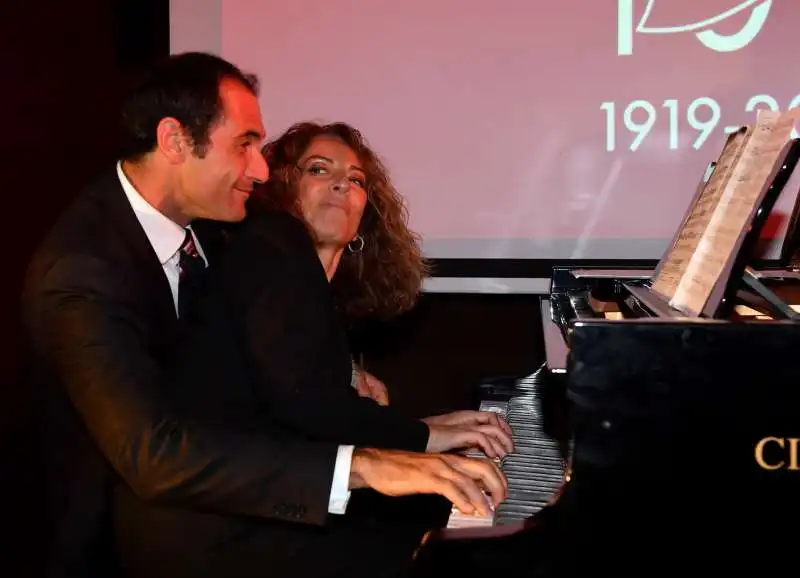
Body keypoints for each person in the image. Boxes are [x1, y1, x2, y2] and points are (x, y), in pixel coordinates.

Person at [20, 52, 506, 578]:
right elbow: (155, 453)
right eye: (244, 144)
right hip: (149, 540)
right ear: (175, 141)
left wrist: (348, 382)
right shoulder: (82, 270)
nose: (260, 168)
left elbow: (248, 355)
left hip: (221, 507)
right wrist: (363, 463)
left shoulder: (209, 227)